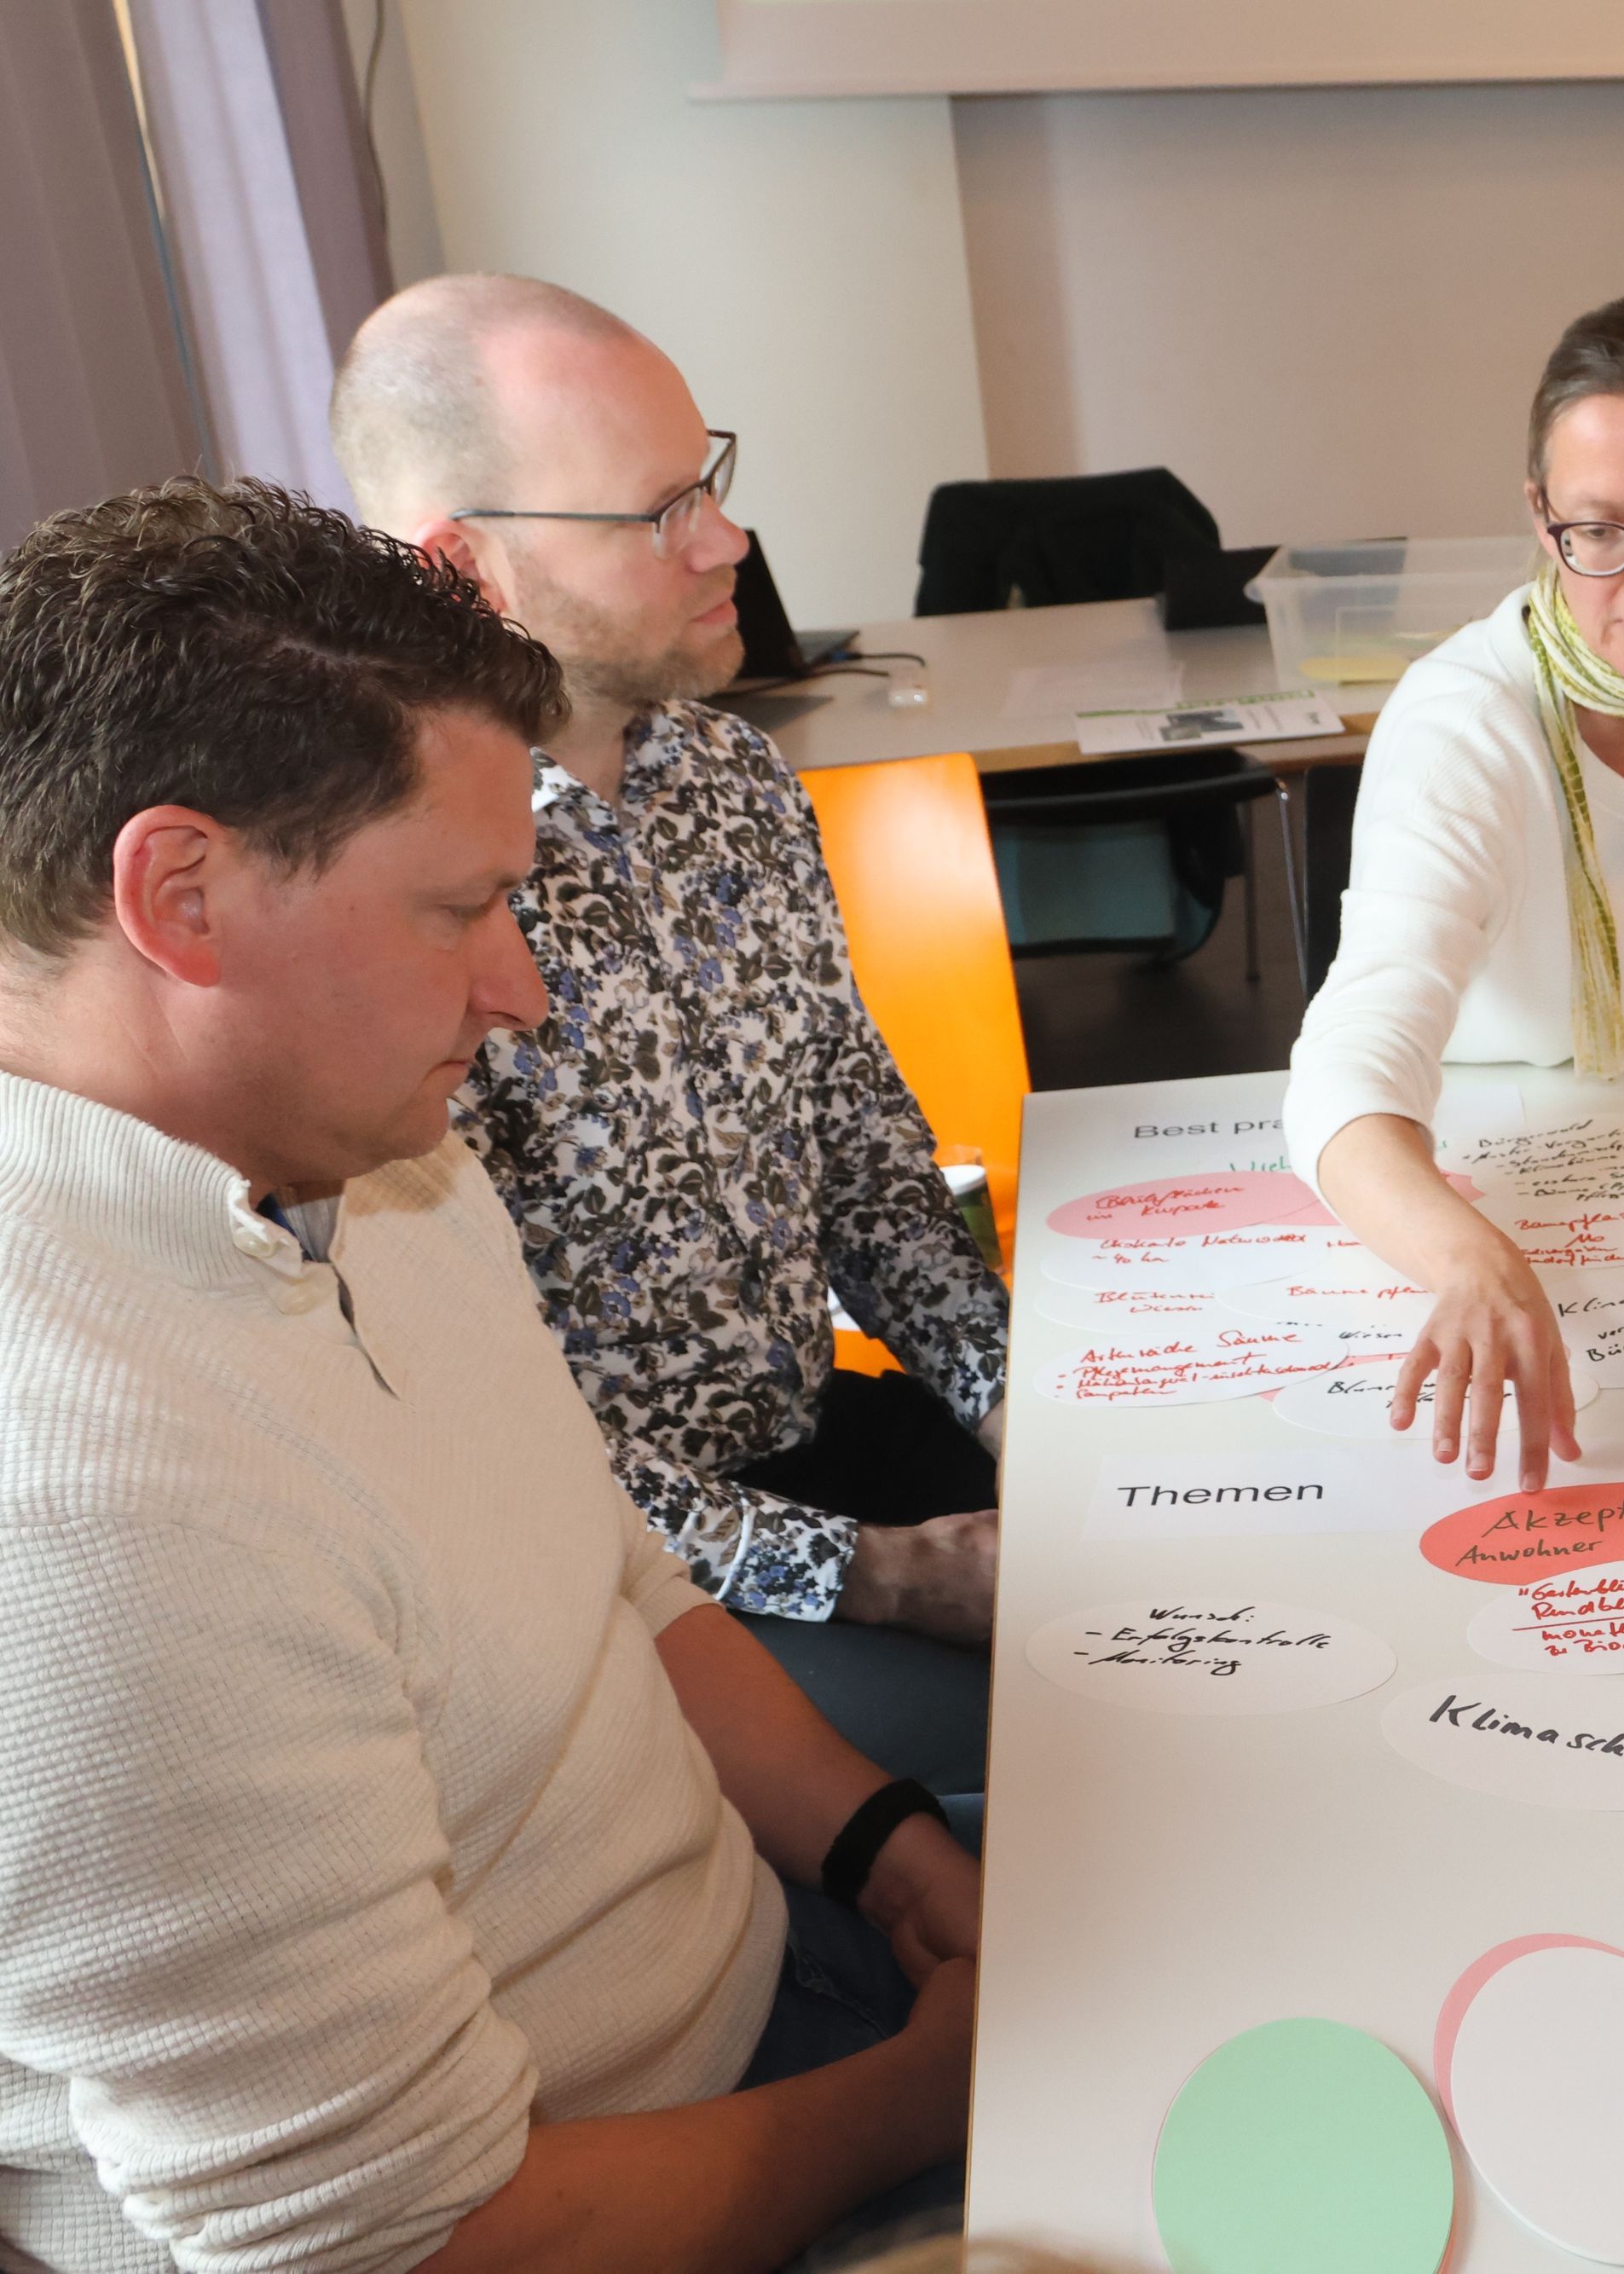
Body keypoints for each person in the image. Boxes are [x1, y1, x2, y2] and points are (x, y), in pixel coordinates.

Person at [0, 478, 974, 2271]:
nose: (518, 991)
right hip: (648, 2183)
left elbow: (619, 1576)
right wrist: (933, 2089)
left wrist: (894, 1853)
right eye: (460, 909)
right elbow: (423, 2245)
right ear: (182, 896)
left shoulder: (363, 1143)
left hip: (767, 1961)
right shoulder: (90, 1510)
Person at [332, 275, 1003, 1791]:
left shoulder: (732, 780)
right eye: (656, 515)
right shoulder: (389, 887)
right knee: (1060, 1745)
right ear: (461, 563)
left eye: (708, 483)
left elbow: (865, 1175)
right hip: (610, 1574)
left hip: (805, 1435)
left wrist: (1008, 1393)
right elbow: (487, 1434)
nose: (728, 542)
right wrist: (888, 1573)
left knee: (1189, 1573)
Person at [1284, 295, 1624, 1492]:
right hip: (1491, 1144)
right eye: (1597, 530)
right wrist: (1470, 1262)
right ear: (1540, 518)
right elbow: (1341, 1072)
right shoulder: (1462, 730)